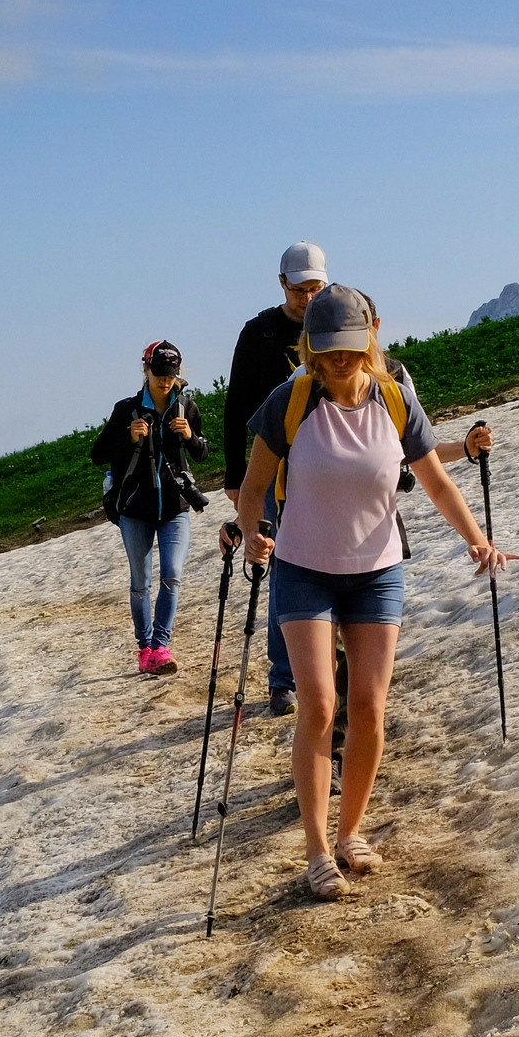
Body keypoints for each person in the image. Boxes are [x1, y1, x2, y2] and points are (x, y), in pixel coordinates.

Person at [231, 285, 510, 900]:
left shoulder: (396, 399)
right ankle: (316, 851)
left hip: (377, 571)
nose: (339, 359)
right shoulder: (289, 401)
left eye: (350, 347)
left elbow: (435, 482)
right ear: (310, 347)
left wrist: (477, 540)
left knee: (369, 707)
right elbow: (251, 487)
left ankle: (350, 833)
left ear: (370, 341)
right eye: (327, 348)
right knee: (319, 704)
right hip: (303, 568)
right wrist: (252, 534)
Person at [224, 241, 330, 715]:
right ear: (282, 283)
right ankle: (283, 679)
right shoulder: (258, 333)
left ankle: (326, 665)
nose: (307, 299)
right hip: (271, 469)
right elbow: (235, 406)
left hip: (326, 466)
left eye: (315, 288)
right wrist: (235, 476)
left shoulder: (335, 320)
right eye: (299, 289)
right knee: (282, 565)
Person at [92, 340, 209, 675]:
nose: (165, 381)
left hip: (175, 508)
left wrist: (190, 436)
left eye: (170, 375)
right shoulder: (126, 410)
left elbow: (202, 453)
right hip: (134, 510)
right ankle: (144, 649)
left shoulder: (186, 408)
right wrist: (127, 437)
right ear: (146, 369)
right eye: (159, 374)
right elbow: (98, 455)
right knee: (140, 582)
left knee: (172, 575)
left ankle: (160, 646)